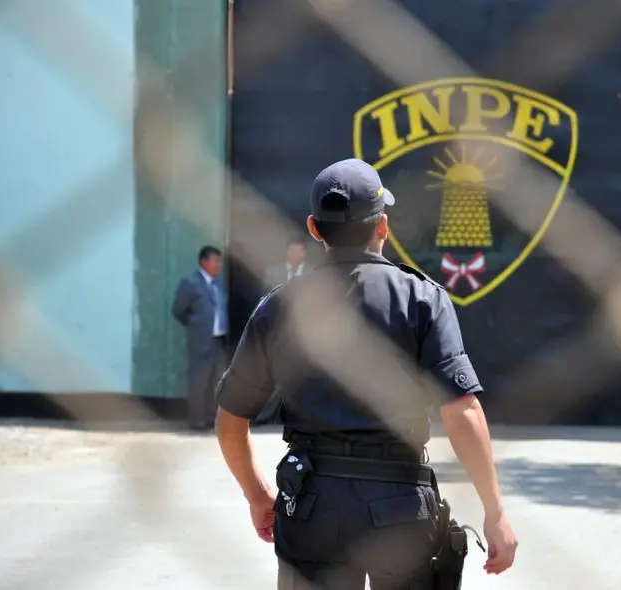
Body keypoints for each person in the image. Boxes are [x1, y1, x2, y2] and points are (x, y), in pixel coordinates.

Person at [214, 158, 518, 589]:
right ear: (383, 226)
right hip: (399, 507)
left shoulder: (281, 307)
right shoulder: (423, 300)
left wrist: (257, 493)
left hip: (311, 506)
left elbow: (230, 420)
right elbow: (463, 410)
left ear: (315, 230)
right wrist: (495, 512)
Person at [171, 245, 229, 430]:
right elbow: (178, 310)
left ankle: (212, 418)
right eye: (215, 261)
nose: (219, 265)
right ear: (204, 262)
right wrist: (195, 326)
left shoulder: (218, 284)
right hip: (200, 341)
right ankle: (196, 421)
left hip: (218, 340)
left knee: (215, 382)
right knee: (198, 382)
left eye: (220, 261)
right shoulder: (190, 283)